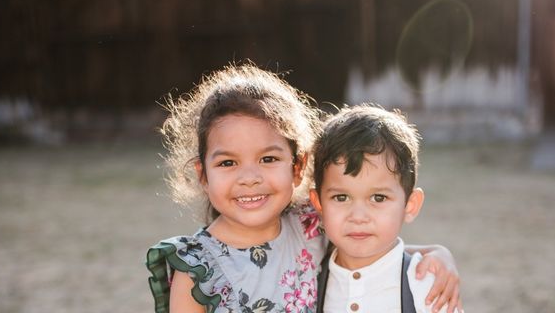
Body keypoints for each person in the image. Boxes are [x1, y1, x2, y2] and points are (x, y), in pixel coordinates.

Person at [146, 63, 461, 313]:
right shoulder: (196, 269)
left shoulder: (310, 226)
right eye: (228, 163)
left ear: (297, 167)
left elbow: (369, 246)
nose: (249, 177)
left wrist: (436, 254)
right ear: (203, 174)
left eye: (268, 158)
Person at [310, 104, 462, 313]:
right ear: (318, 202)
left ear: (410, 205)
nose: (358, 216)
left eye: (378, 198)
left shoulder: (425, 284)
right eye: (341, 197)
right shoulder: (308, 278)